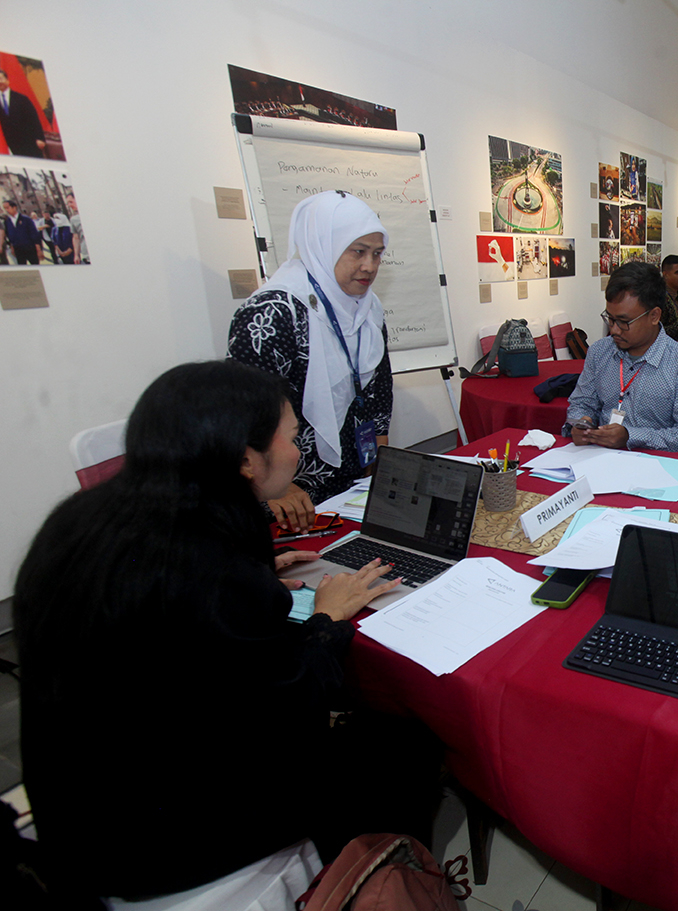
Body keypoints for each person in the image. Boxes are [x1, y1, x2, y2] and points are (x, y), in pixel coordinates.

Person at [15, 360, 434, 903]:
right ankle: (376, 883)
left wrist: (258, 571)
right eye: (289, 437)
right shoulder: (213, 573)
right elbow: (292, 705)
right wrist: (328, 620)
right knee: (403, 748)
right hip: (157, 843)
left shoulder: (77, 522)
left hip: (74, 815)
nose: (296, 451)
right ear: (242, 459)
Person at [228, 190, 392, 532]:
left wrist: (380, 457)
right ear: (323, 245)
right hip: (290, 493)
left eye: (377, 254)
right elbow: (242, 412)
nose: (370, 266)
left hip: (355, 482)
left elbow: (379, 387)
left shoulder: (367, 307)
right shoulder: (271, 313)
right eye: (358, 252)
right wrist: (274, 487)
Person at [563, 261, 678, 453]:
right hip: (599, 459)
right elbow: (582, 403)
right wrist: (582, 422)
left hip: (658, 468)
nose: (614, 329)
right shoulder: (600, 352)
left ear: (654, 316)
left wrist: (630, 436)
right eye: (610, 318)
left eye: (624, 322)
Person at [0, 68, 46, 158]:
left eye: (1, 79)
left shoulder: (21, 99)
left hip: (28, 141)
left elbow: (34, 118)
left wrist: (40, 138)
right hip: (10, 144)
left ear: (7, 80)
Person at [2, 198, 41, 264]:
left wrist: (39, 249)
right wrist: (12, 247)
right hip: (18, 249)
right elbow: (9, 235)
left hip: (30, 248)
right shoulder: (7, 221)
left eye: (7, 208)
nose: (6, 210)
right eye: (4, 208)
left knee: (35, 266)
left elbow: (34, 234)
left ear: (14, 207)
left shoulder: (26, 219)